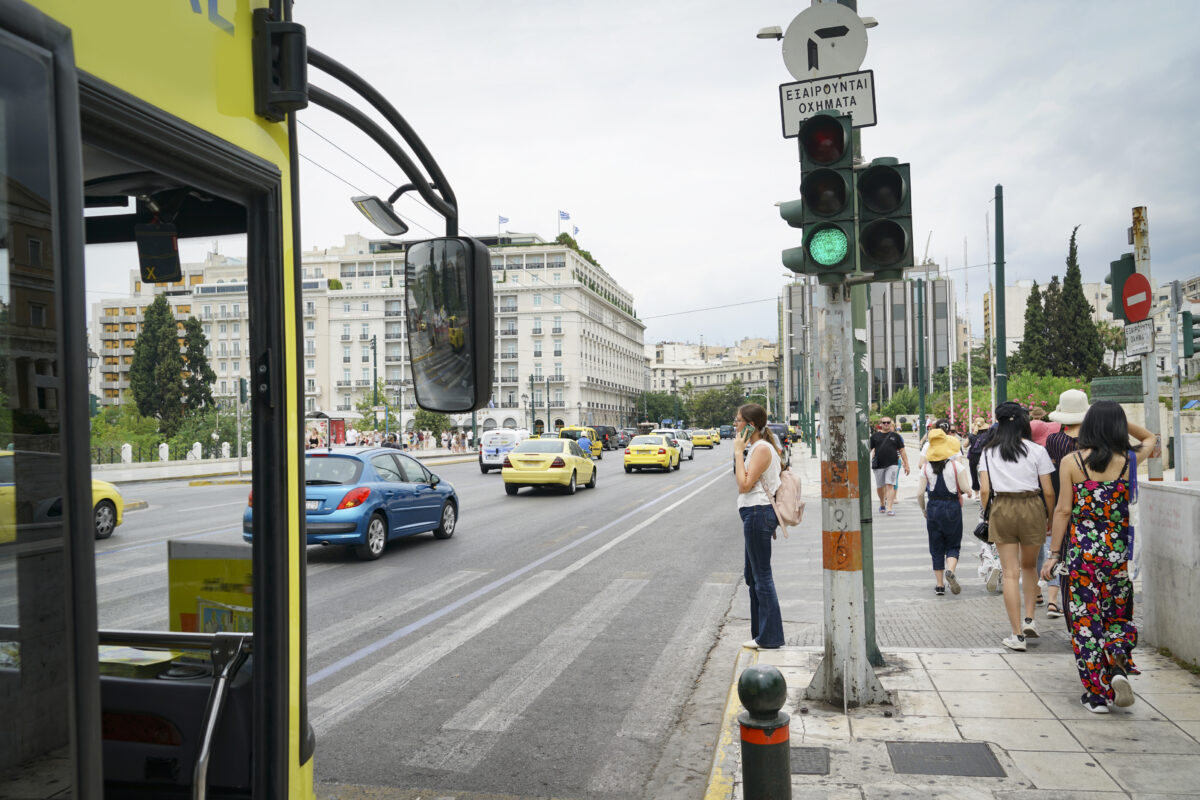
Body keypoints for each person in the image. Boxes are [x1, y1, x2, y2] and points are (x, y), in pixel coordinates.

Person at [1041, 400, 1155, 713]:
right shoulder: (1129, 459)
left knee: (1085, 621)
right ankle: (1117, 667)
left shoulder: (1071, 461)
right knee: (1117, 615)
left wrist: (1053, 554)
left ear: (1088, 426)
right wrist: (1119, 421)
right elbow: (1151, 439)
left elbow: (1063, 510)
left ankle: (1097, 695)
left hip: (1081, 556)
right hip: (1118, 555)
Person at [978, 401, 1056, 651]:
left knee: (1010, 573)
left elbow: (985, 490)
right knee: (1029, 566)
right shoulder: (1036, 450)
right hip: (1032, 505)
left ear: (998, 424)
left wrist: (986, 513)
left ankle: (1016, 635)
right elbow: (1049, 491)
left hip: (1002, 507)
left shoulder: (988, 452)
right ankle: (1030, 619)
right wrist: (1050, 517)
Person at [732, 403, 784, 650]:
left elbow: (743, 484)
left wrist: (737, 452)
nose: (735, 424)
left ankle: (769, 636)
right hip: (755, 513)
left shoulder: (761, 449)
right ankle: (760, 633)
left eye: (738, 421)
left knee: (762, 577)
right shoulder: (758, 447)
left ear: (750, 425)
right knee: (753, 576)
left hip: (758, 512)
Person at [918, 428, 972, 596]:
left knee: (936, 546)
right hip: (952, 507)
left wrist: (924, 509)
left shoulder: (926, 468)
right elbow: (964, 488)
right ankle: (951, 569)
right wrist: (968, 491)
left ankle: (940, 584)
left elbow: (920, 493)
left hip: (934, 507)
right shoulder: (956, 466)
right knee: (953, 544)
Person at [869, 417, 910, 516]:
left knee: (890, 485)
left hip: (892, 464)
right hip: (878, 465)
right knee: (880, 487)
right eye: (884, 422)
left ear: (891, 423)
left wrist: (906, 464)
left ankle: (889, 508)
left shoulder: (896, 436)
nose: (886, 424)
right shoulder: (875, 436)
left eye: (888, 422)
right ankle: (882, 503)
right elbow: (869, 449)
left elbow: (902, 451)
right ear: (881, 424)